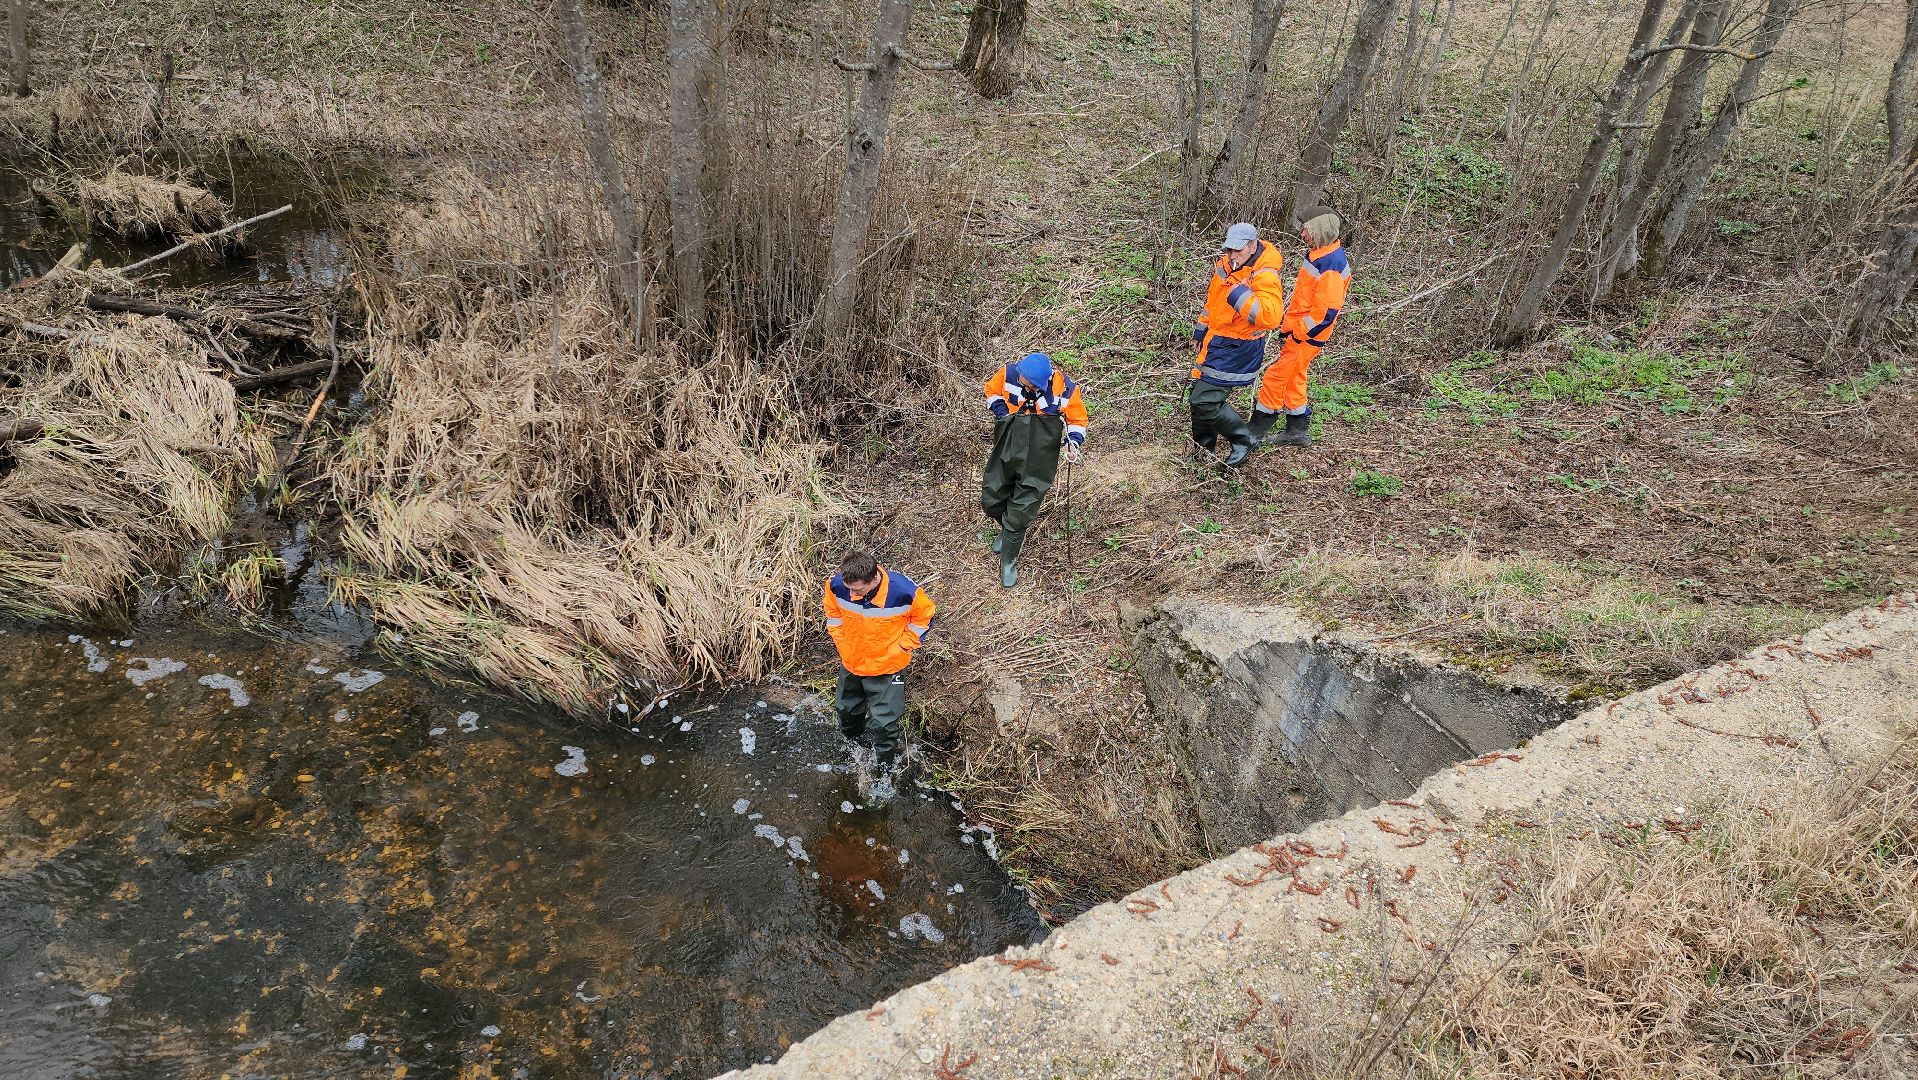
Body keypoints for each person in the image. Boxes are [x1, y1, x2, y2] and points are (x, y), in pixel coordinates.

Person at [822, 551, 936, 787]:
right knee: (846, 711)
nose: (852, 595)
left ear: (873, 579)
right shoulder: (836, 585)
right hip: (852, 663)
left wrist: (902, 647)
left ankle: (885, 770)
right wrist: (842, 643)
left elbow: (925, 617)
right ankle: (853, 751)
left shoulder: (902, 591)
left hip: (888, 668)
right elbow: (832, 613)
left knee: (883, 724)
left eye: (858, 591)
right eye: (848, 588)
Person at [981, 351, 1088, 588]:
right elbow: (991, 390)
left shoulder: (1064, 390)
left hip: (1039, 457)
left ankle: (1009, 559)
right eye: (1021, 378)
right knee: (991, 498)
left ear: (1039, 384)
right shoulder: (1009, 373)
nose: (1021, 382)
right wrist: (1001, 412)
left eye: (1026, 383)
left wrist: (1073, 444)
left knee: (1022, 509)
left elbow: (1077, 421)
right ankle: (1007, 530)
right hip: (1007, 445)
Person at [1251, 208, 1350, 448]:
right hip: (1301, 333)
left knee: (1277, 376)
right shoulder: (1320, 255)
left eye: (1306, 229)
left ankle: (1256, 430)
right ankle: (1297, 429)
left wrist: (1298, 334)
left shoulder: (1331, 264)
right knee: (1294, 377)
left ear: (1319, 230)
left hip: (1307, 337)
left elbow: (1325, 312)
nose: (1302, 233)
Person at [1189, 221, 1285, 467]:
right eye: (1229, 249)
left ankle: (1243, 439)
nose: (1232, 255)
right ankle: (1202, 450)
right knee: (1200, 397)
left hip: (1238, 347)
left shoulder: (1264, 273)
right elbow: (1212, 301)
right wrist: (1201, 330)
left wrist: (1239, 295)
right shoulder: (1225, 264)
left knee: (1205, 401)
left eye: (1237, 250)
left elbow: (1271, 316)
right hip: (1216, 341)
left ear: (1253, 245)